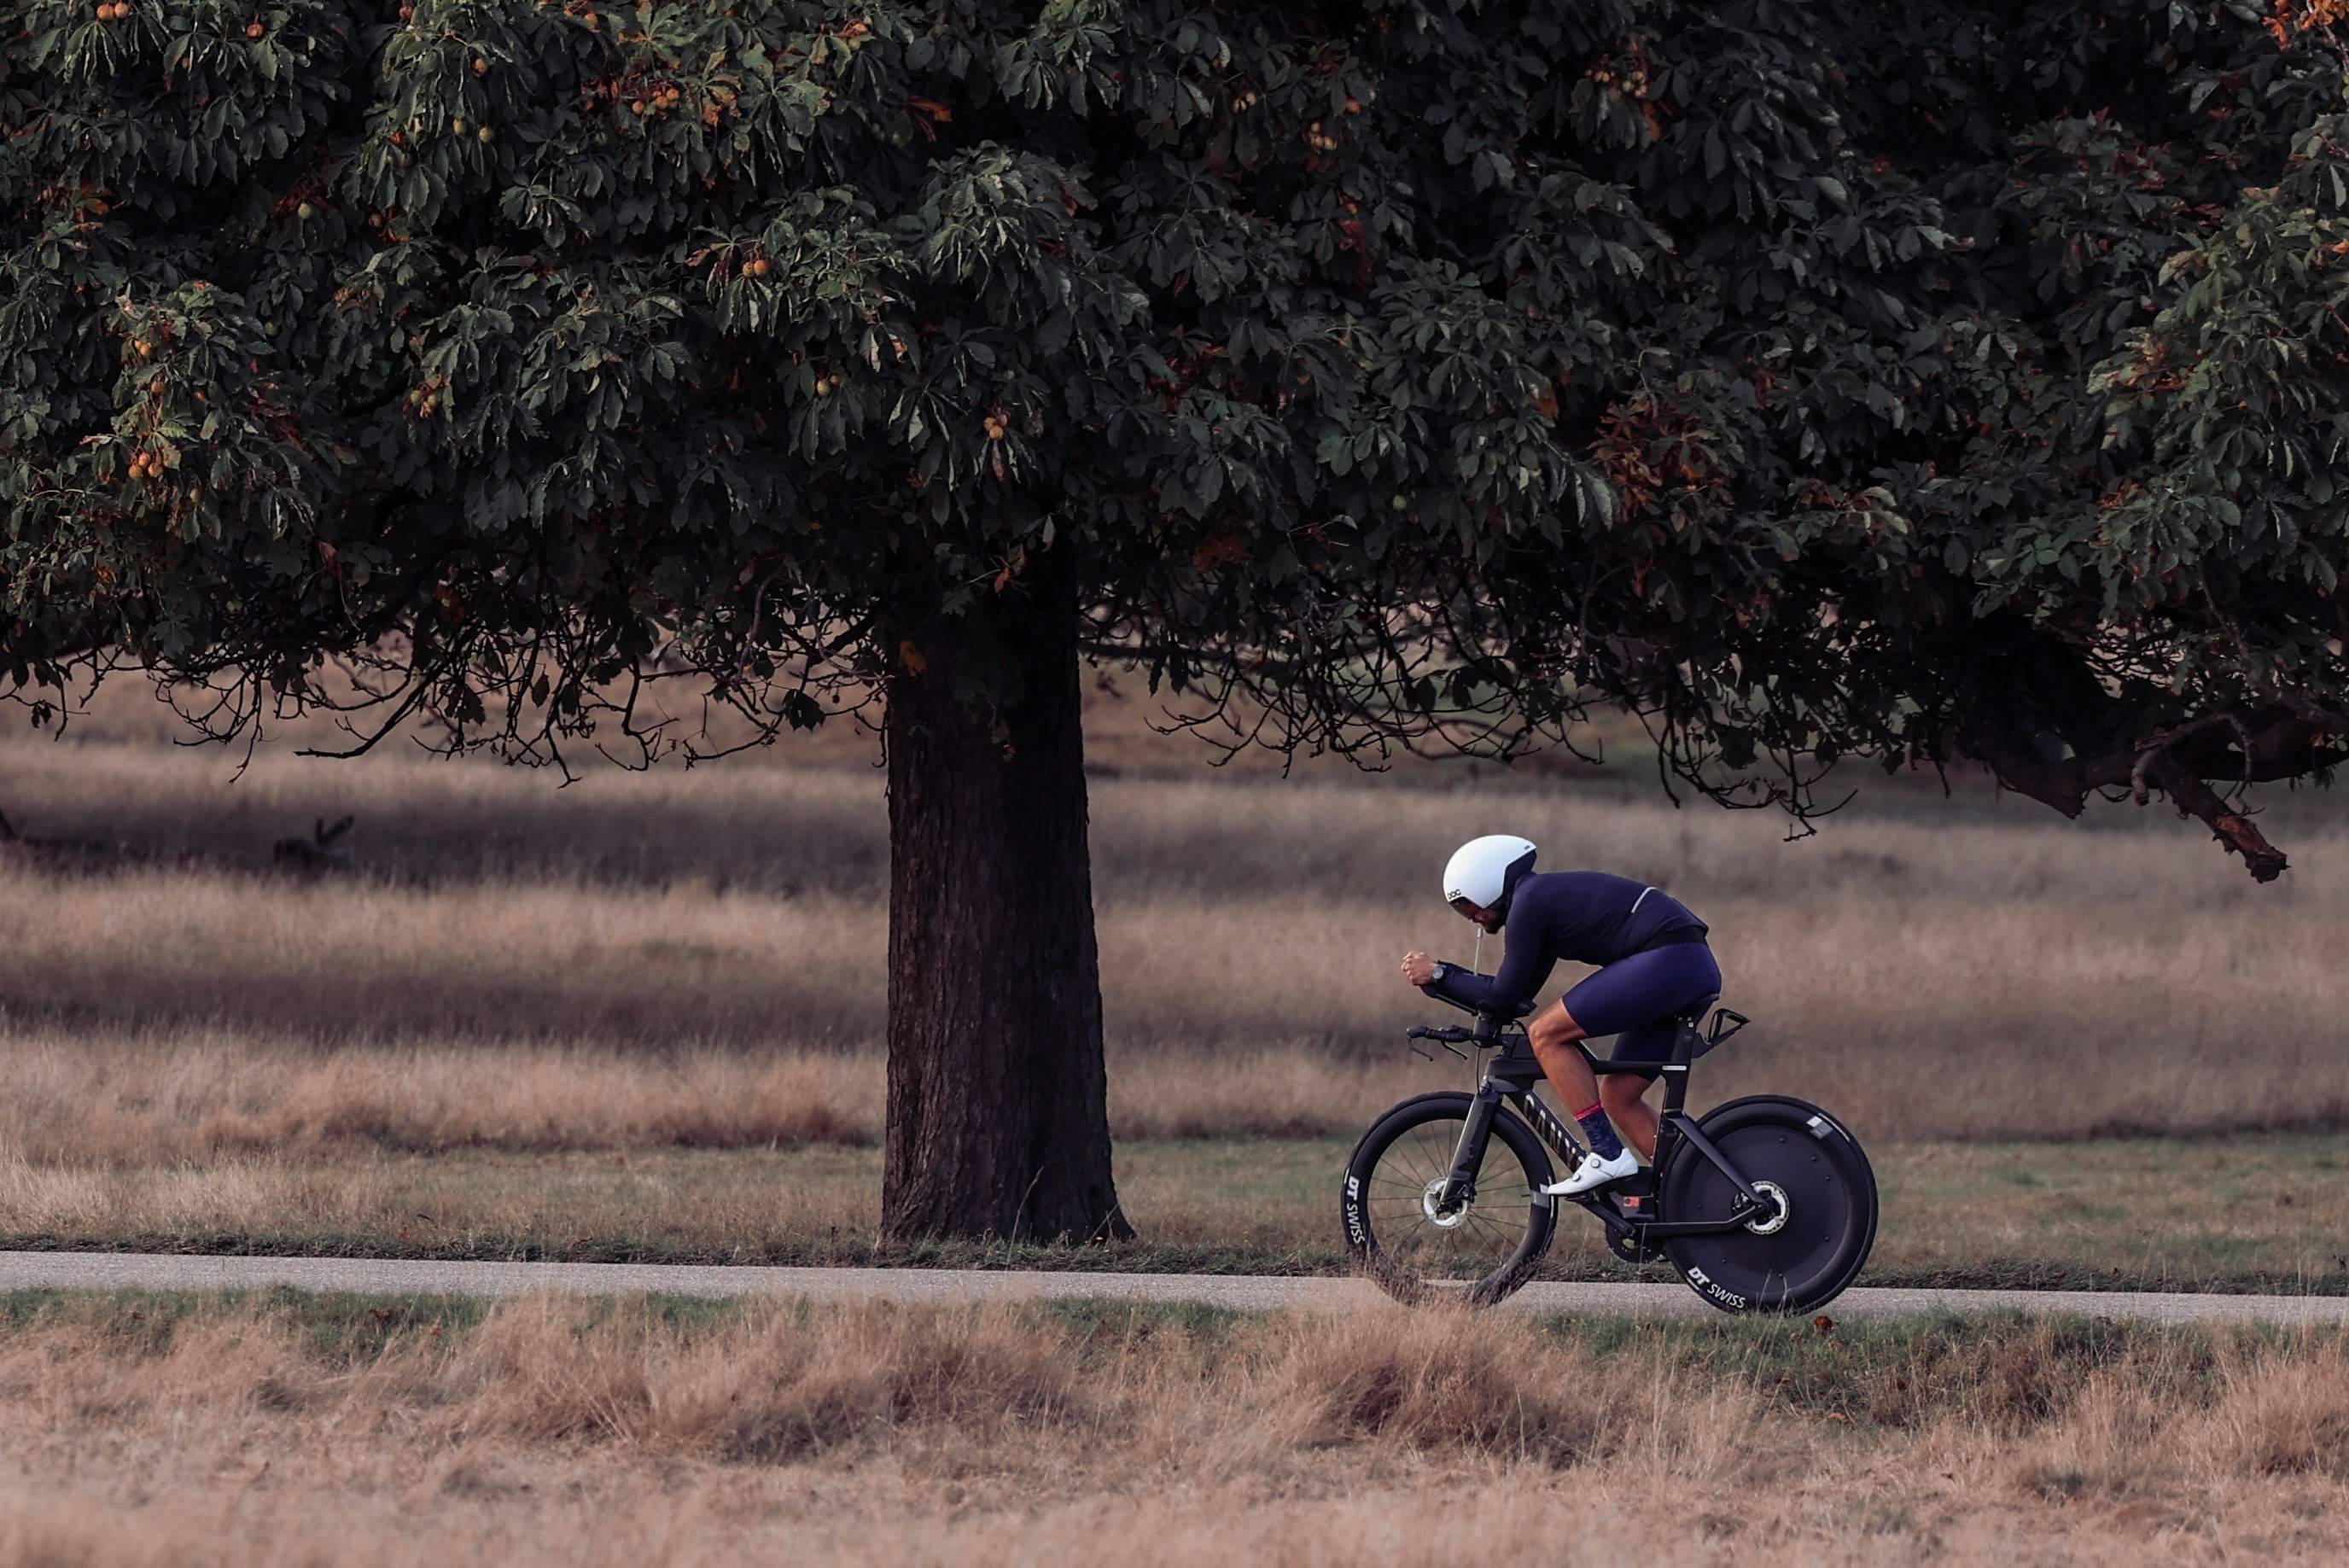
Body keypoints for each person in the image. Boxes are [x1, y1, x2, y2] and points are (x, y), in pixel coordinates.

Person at [1398, 834, 1720, 1196]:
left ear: (1487, 882)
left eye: (1467, 905)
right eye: (1462, 912)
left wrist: (1440, 973)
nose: (1472, 918)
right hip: (1686, 966)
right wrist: (1454, 990)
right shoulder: (1542, 903)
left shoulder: (1529, 902)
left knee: (1546, 1035)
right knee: (1619, 1096)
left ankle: (1607, 1152)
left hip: (1670, 961)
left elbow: (1503, 994)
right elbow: (1511, 998)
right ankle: (1704, 1195)